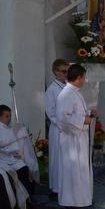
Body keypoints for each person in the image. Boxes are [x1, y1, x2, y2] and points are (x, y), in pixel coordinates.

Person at [56, 64, 97, 208]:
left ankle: (82, 199)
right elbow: (63, 118)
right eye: (84, 77)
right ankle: (71, 202)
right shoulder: (66, 93)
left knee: (81, 170)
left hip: (79, 137)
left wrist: (89, 113)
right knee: (72, 171)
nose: (85, 80)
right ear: (78, 78)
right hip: (71, 140)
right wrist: (83, 120)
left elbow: (75, 112)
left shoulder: (75, 92)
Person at [0, 105, 38, 197]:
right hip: (2, 159)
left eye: (10, 116)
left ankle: (29, 197)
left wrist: (18, 133)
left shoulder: (6, 127)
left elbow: (12, 141)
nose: (9, 119)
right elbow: (1, 142)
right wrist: (15, 134)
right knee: (24, 170)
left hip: (13, 158)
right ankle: (26, 198)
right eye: (6, 116)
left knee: (28, 169)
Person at [44, 58, 69, 195]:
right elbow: (51, 113)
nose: (66, 74)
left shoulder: (68, 87)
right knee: (57, 160)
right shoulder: (52, 90)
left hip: (69, 130)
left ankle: (66, 187)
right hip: (58, 130)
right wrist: (65, 124)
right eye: (63, 71)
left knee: (66, 161)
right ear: (55, 72)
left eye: (68, 71)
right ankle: (56, 189)